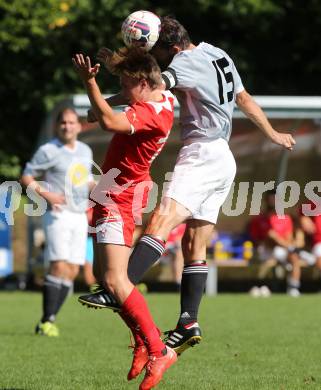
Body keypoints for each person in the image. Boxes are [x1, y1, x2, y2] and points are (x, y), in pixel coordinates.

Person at [79, 16, 296, 355]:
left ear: (174, 47)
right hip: (224, 157)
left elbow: (150, 90)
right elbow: (245, 100)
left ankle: (119, 287)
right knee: (195, 243)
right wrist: (272, 133)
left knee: (160, 222)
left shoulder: (183, 62)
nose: (161, 60)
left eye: (160, 53)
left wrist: (108, 85)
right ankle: (188, 321)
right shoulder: (218, 53)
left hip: (201, 152)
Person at [72, 47, 177, 389]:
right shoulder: (161, 98)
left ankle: (159, 349)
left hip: (122, 195)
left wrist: (91, 84)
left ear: (144, 83)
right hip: (111, 191)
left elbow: (108, 120)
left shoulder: (151, 114)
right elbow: (116, 103)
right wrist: (107, 94)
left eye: (126, 83)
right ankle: (144, 343)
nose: (123, 90)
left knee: (116, 281)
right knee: (105, 277)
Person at [21, 107, 94, 336]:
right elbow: (26, 176)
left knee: (72, 270)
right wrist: (47, 195)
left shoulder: (85, 150)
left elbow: (87, 180)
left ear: (79, 126)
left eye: (71, 122)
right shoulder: (48, 150)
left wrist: (104, 191)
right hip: (58, 214)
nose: (67, 126)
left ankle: (48, 320)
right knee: (58, 265)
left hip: (79, 215)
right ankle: (47, 320)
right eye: (63, 122)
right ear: (57, 126)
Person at [249, 190, 302, 297]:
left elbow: (289, 237)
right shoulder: (259, 219)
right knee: (271, 253)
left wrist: (285, 244)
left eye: (276, 200)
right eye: (271, 200)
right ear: (266, 201)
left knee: (293, 258)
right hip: (264, 249)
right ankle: (260, 285)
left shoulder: (286, 218)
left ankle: (293, 288)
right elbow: (257, 239)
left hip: (281, 250)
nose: (273, 202)